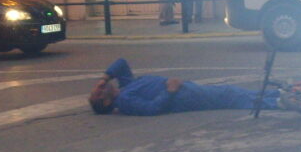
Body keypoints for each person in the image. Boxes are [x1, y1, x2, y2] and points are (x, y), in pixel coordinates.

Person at [88, 58, 283, 116]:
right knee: (231, 96)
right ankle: (278, 102)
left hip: (186, 90)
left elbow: (121, 63)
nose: (98, 87)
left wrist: (105, 78)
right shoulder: (124, 101)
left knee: (236, 92)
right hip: (183, 97)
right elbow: (151, 109)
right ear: (106, 101)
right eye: (98, 93)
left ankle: (281, 95)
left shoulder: (125, 86)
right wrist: (169, 91)